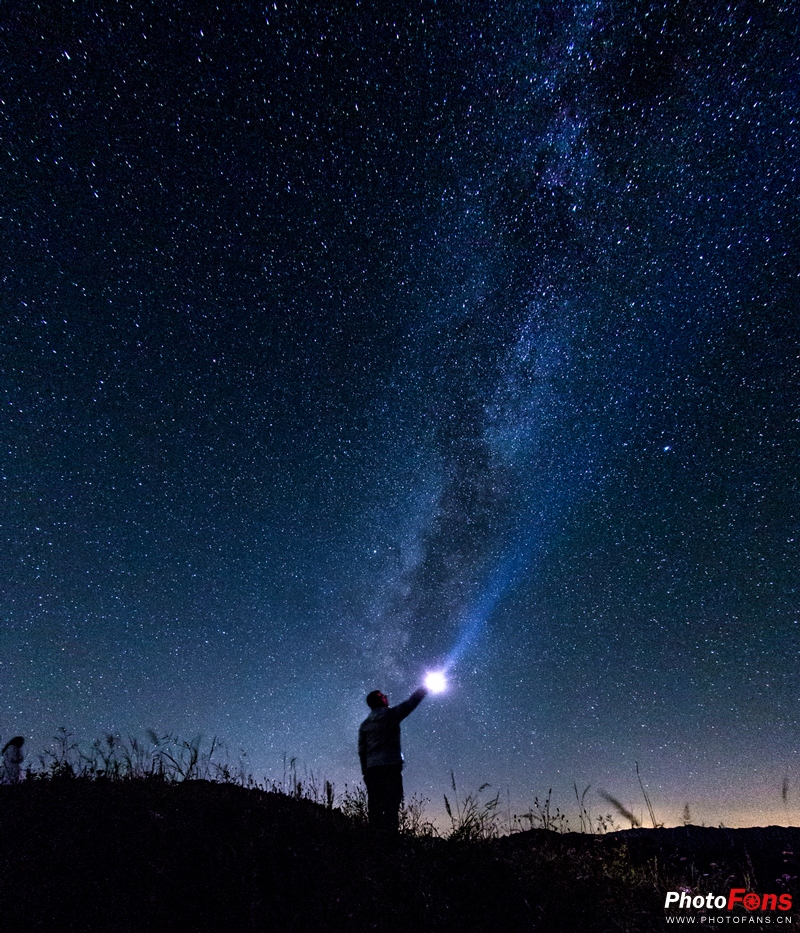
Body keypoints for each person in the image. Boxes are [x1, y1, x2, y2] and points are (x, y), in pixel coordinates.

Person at [358, 686, 427, 832]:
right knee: (391, 808)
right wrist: (424, 688)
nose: (386, 697)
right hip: (390, 768)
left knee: (375, 809)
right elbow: (411, 703)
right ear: (380, 700)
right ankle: (391, 841)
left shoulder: (365, 725)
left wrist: (365, 773)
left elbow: (362, 752)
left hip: (372, 770)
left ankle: (375, 841)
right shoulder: (392, 715)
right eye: (383, 696)